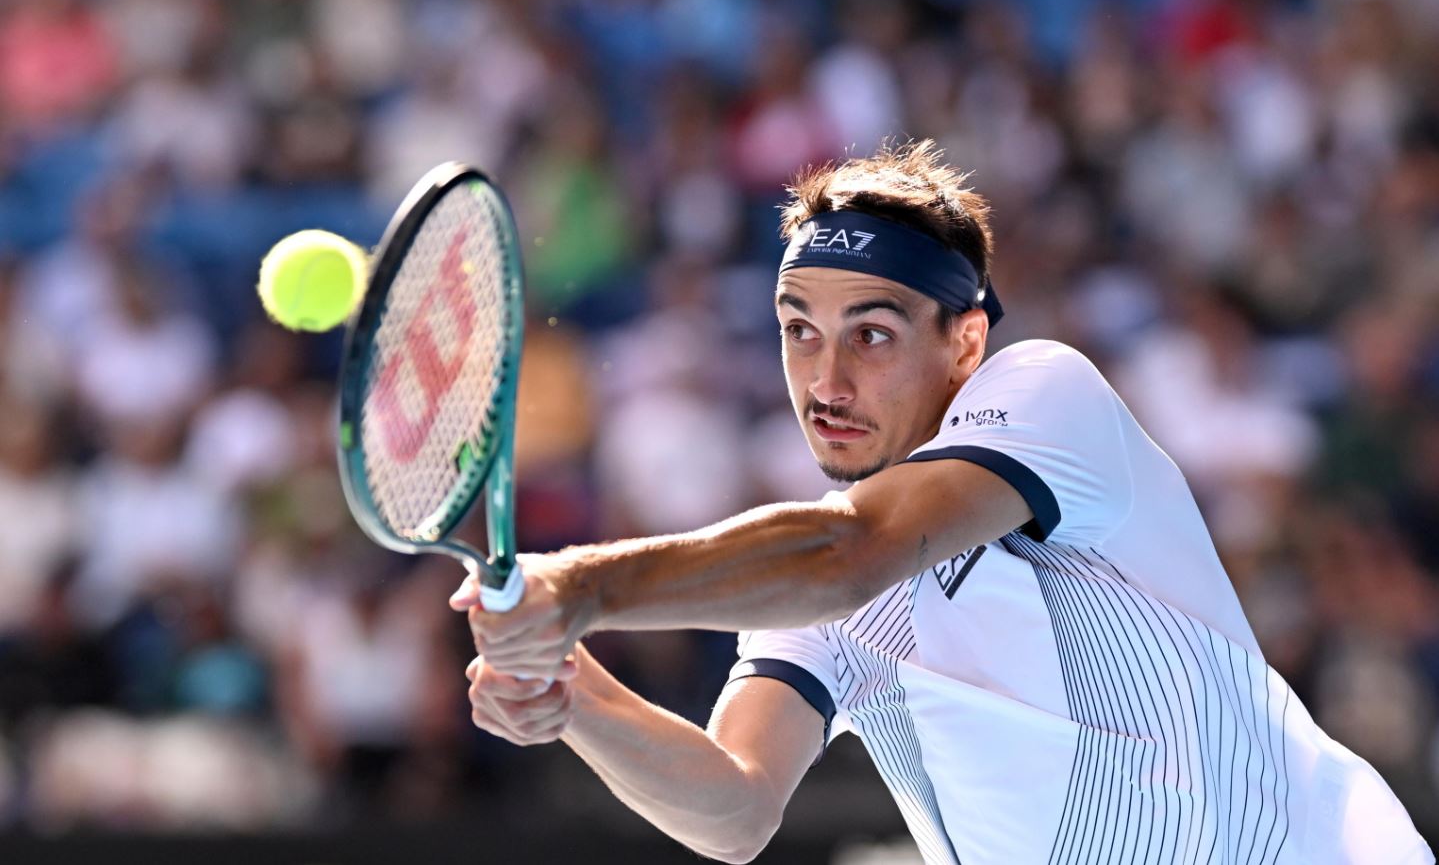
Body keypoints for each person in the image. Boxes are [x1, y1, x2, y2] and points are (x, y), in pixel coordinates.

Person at [449, 142, 1432, 865]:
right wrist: (573, 689)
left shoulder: (1049, 394)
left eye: (870, 335)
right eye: (798, 330)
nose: (823, 377)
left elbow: (849, 551)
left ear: (964, 341)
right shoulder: (808, 585)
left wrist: (578, 584)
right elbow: (733, 805)